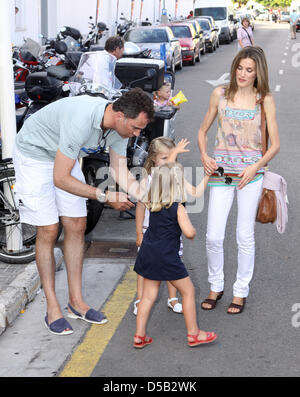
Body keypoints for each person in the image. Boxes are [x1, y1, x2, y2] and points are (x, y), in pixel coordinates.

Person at [13, 88, 154, 335]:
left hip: (63, 158)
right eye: (135, 128)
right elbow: (60, 178)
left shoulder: (121, 128)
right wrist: (104, 195)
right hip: (35, 155)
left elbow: (119, 170)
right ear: (120, 115)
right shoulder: (82, 119)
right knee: (48, 229)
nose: (137, 134)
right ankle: (52, 307)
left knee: (77, 224)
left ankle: (76, 303)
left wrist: (149, 198)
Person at [198, 46, 280, 314]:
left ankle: (240, 290)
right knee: (213, 236)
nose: (243, 74)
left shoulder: (263, 99)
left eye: (249, 70)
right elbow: (202, 130)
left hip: (250, 176)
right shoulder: (219, 94)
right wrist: (204, 155)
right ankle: (216, 285)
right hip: (221, 174)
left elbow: (275, 145)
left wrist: (255, 166)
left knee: (244, 236)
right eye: (240, 68)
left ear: (258, 74)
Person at [133, 162, 217, 348]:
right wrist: (192, 230)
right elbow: (189, 232)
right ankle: (194, 334)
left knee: (148, 295)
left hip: (148, 252)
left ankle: (139, 335)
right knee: (188, 291)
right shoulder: (177, 207)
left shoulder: (152, 203)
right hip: (167, 256)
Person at [134, 137, 184, 315]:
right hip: (150, 231)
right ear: (153, 158)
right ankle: (140, 299)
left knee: (173, 263)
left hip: (170, 232)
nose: (168, 162)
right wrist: (139, 232)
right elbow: (140, 207)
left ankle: (173, 298)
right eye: (164, 158)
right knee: (145, 267)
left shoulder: (175, 177)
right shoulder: (147, 181)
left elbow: (180, 205)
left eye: (172, 158)